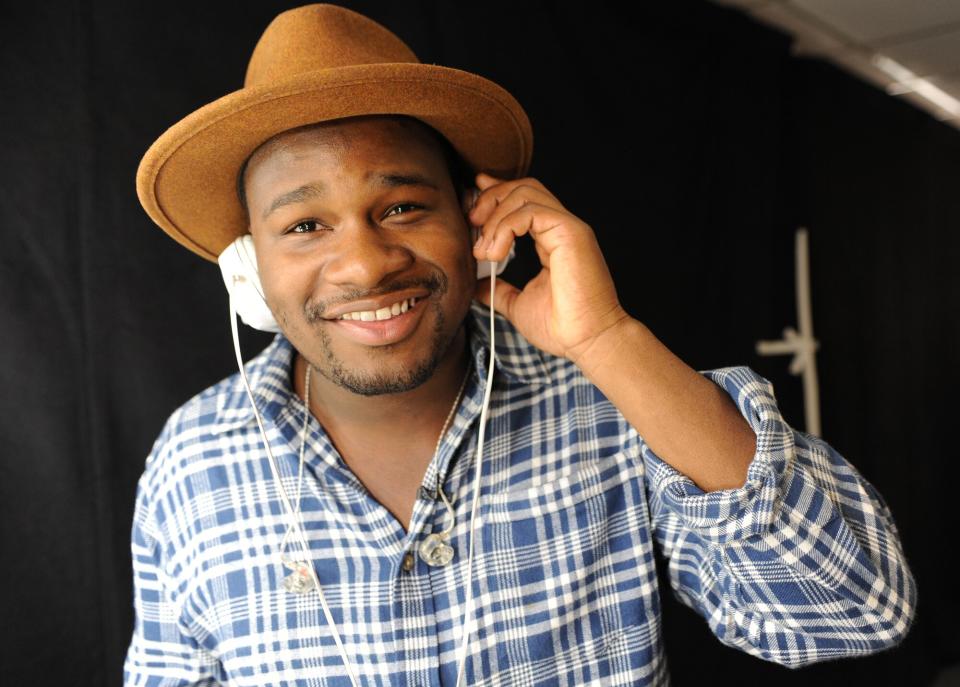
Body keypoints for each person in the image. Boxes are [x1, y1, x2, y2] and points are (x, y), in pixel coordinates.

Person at [123, 4, 917, 686]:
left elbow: (854, 609)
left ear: (478, 224)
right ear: (248, 272)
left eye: (401, 207)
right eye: (304, 226)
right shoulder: (191, 462)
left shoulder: (612, 403)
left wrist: (606, 340)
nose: (365, 263)